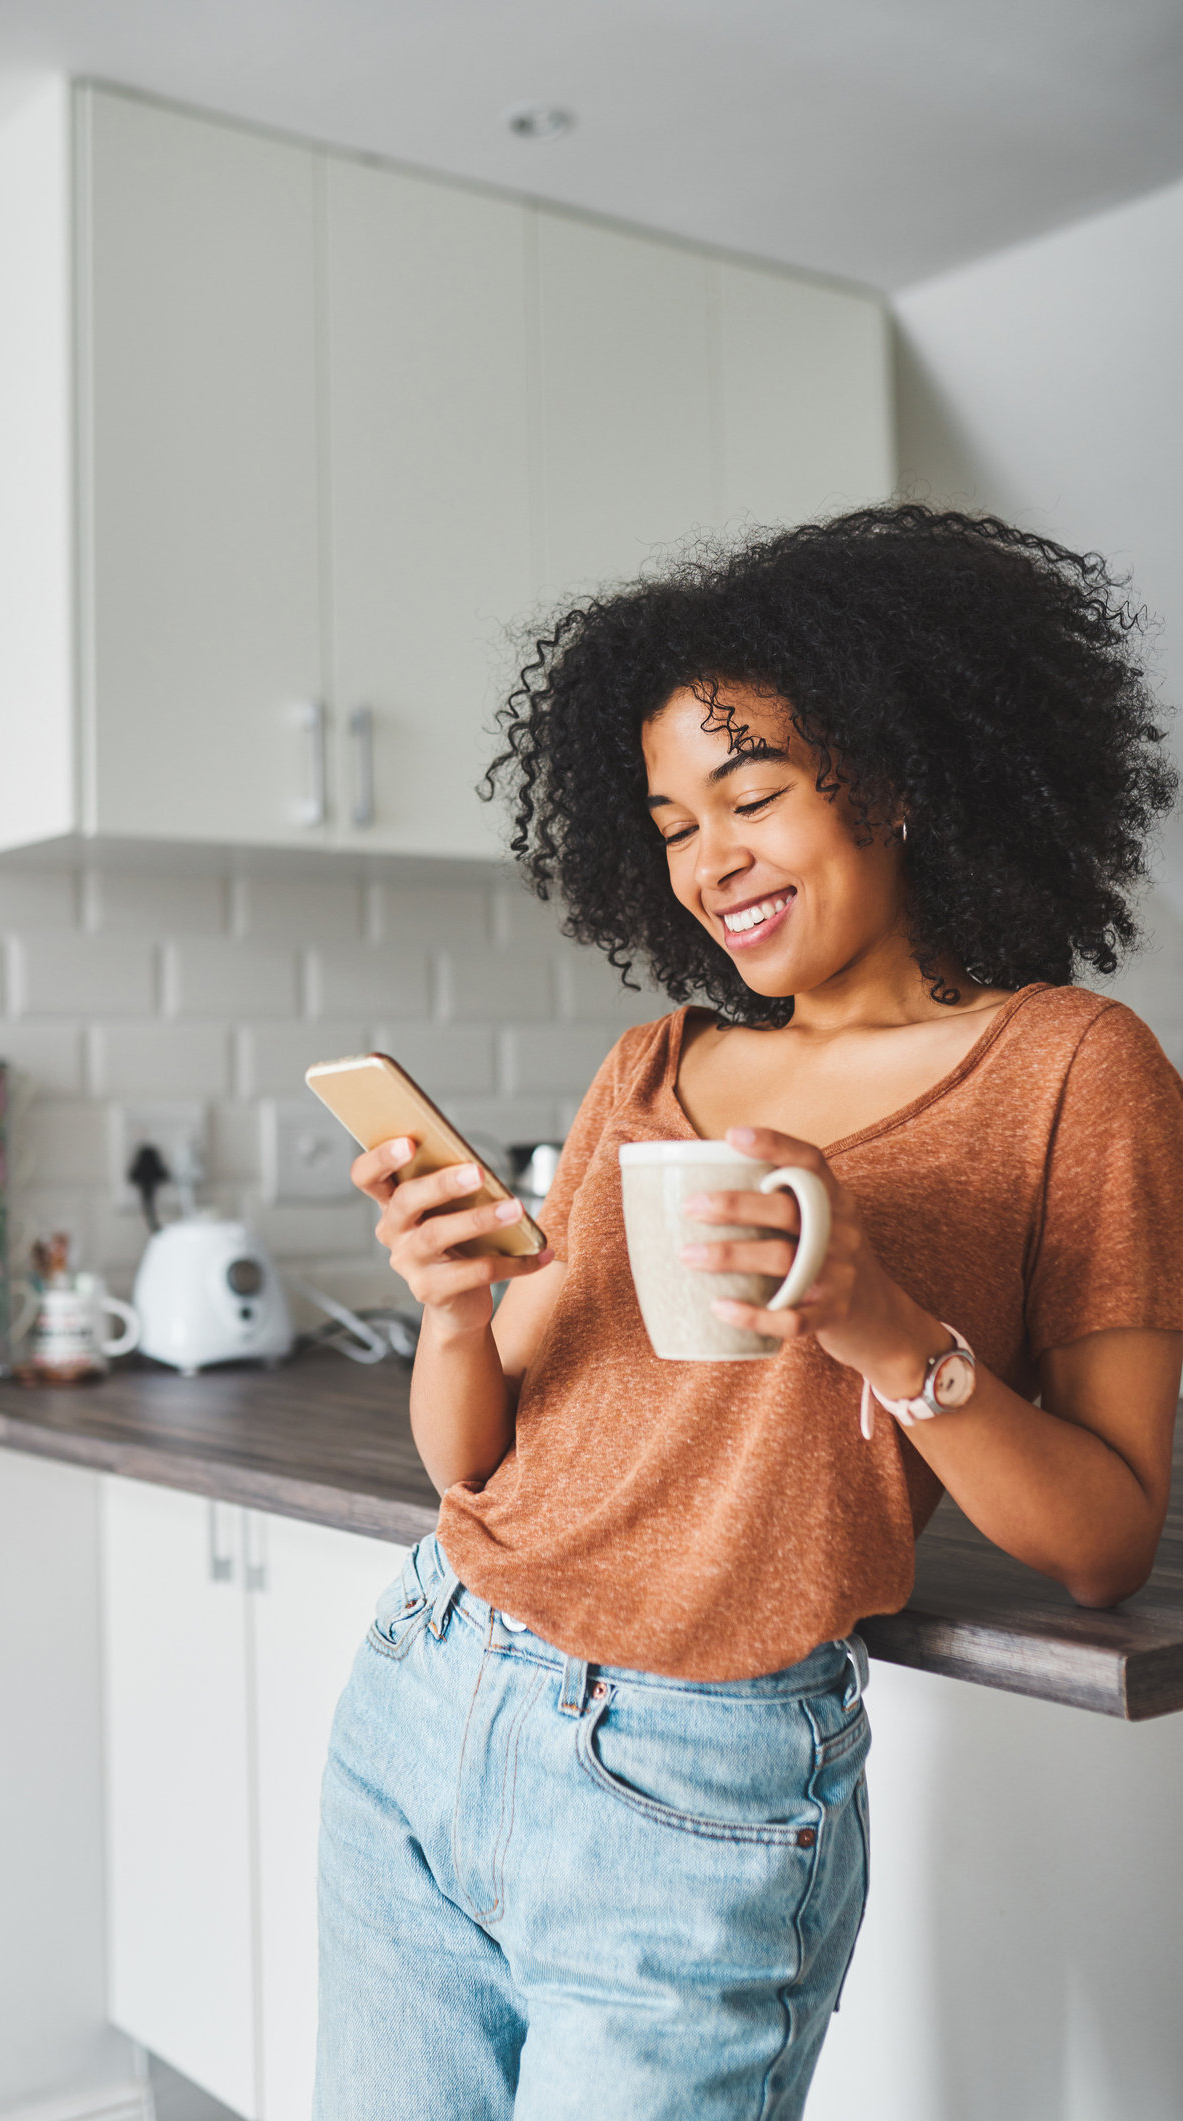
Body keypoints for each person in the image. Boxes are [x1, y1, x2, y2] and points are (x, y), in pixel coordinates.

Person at [312, 506, 1183, 2119]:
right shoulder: (650, 1064)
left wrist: (870, 1315)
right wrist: (448, 1310)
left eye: (753, 794)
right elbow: (476, 1451)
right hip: (429, 1682)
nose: (708, 858)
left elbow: (1103, 1538)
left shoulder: (1074, 1068)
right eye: (668, 822)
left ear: (899, 774)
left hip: (693, 1780)